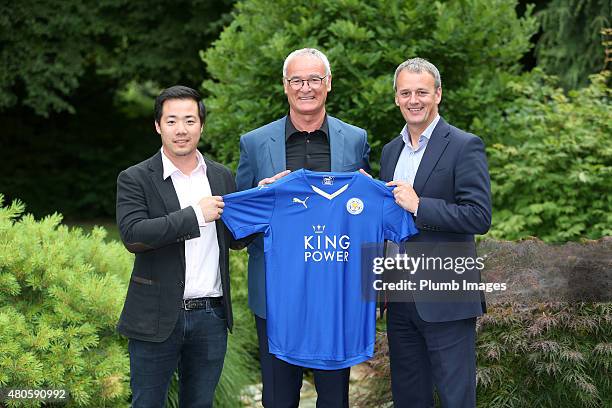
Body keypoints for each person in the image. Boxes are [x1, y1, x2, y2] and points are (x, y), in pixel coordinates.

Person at [235, 48, 370, 407]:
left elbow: (365, 216)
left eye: (314, 79)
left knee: (334, 399)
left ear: (328, 85)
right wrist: (260, 196)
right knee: (278, 398)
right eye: (297, 80)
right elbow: (236, 231)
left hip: (336, 293)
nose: (305, 87)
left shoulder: (355, 140)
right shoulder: (254, 143)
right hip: (277, 294)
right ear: (285, 86)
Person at [116, 85, 241, 407]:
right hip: (155, 315)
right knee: (147, 403)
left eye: (189, 120)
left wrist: (266, 195)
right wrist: (195, 215)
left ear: (201, 125)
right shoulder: (135, 178)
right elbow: (134, 235)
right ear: (158, 125)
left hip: (210, 316)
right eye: (171, 121)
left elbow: (238, 238)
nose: (181, 130)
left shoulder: (221, 176)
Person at [380, 58, 492, 407]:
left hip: (445, 296)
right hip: (398, 298)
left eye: (422, 92)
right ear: (397, 98)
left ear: (438, 94)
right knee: (409, 398)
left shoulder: (463, 145)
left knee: (456, 398)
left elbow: (478, 215)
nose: (414, 100)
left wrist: (419, 205)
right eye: (406, 92)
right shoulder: (390, 151)